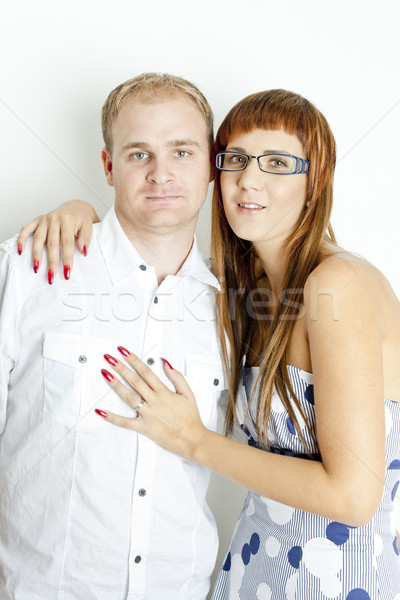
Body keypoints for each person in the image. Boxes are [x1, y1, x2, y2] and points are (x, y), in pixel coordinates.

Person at [24, 88, 400, 598]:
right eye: (238, 159)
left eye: (277, 162)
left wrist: (194, 440)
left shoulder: (338, 284)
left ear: (315, 183)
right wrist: (80, 207)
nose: (249, 179)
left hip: (338, 580)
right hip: (255, 572)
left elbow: (355, 496)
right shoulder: (249, 296)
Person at [0, 73, 228, 600]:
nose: (161, 174)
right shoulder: (29, 269)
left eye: (182, 151)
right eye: (138, 155)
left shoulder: (232, 307)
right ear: (108, 165)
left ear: (210, 167)